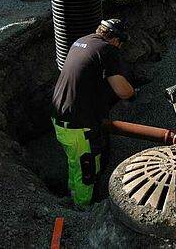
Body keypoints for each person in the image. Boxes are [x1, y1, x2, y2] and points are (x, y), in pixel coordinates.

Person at [51, 19, 136, 209]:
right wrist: (133, 92)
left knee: (77, 164)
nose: (120, 47)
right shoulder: (107, 50)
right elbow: (123, 91)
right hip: (78, 124)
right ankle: (83, 211)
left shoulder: (82, 41)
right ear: (114, 39)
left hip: (60, 118)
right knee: (86, 169)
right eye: (120, 42)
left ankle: (73, 198)